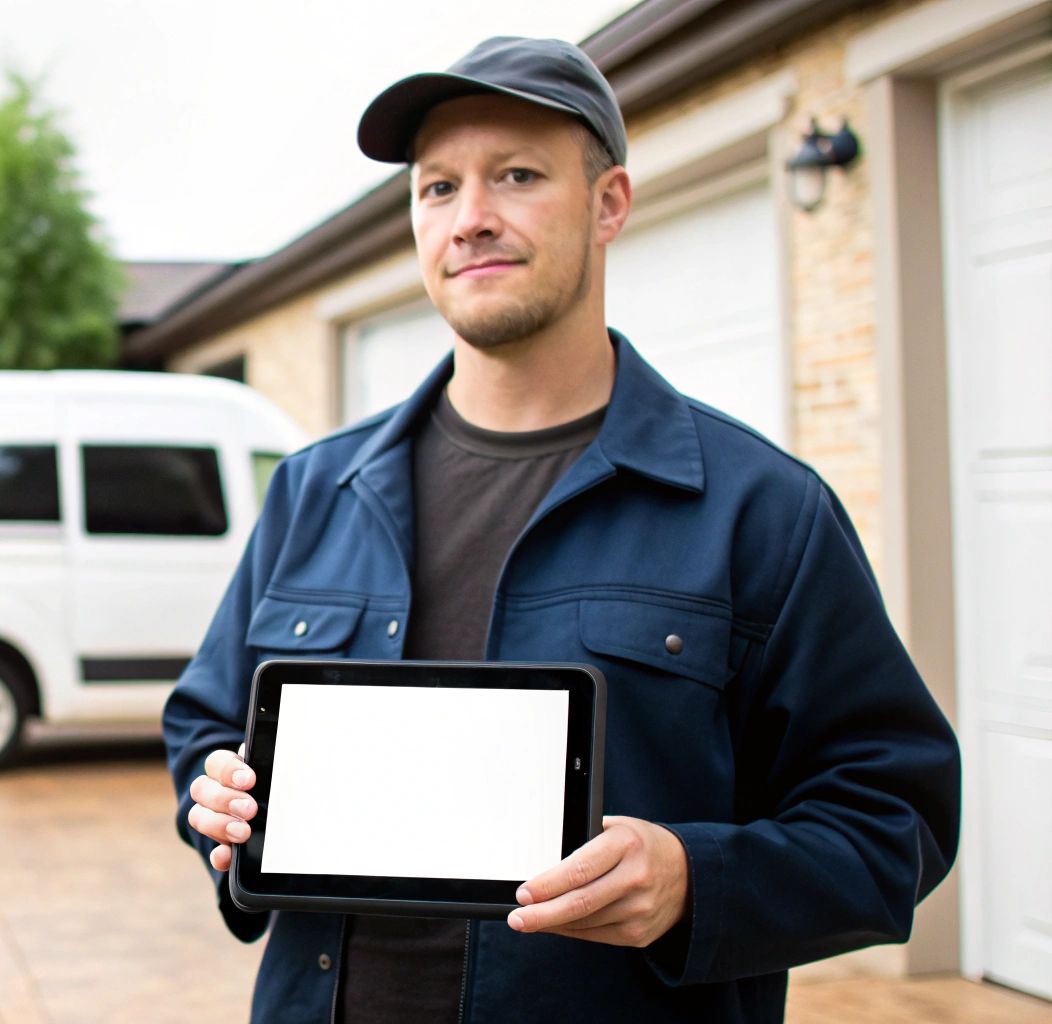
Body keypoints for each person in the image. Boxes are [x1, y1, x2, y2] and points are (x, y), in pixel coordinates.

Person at [161, 35, 960, 1024]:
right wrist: (220, 800)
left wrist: (691, 879)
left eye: (517, 176)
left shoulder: (760, 509)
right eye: (437, 187)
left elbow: (894, 820)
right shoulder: (315, 490)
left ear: (608, 203)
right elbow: (205, 724)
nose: (469, 219)